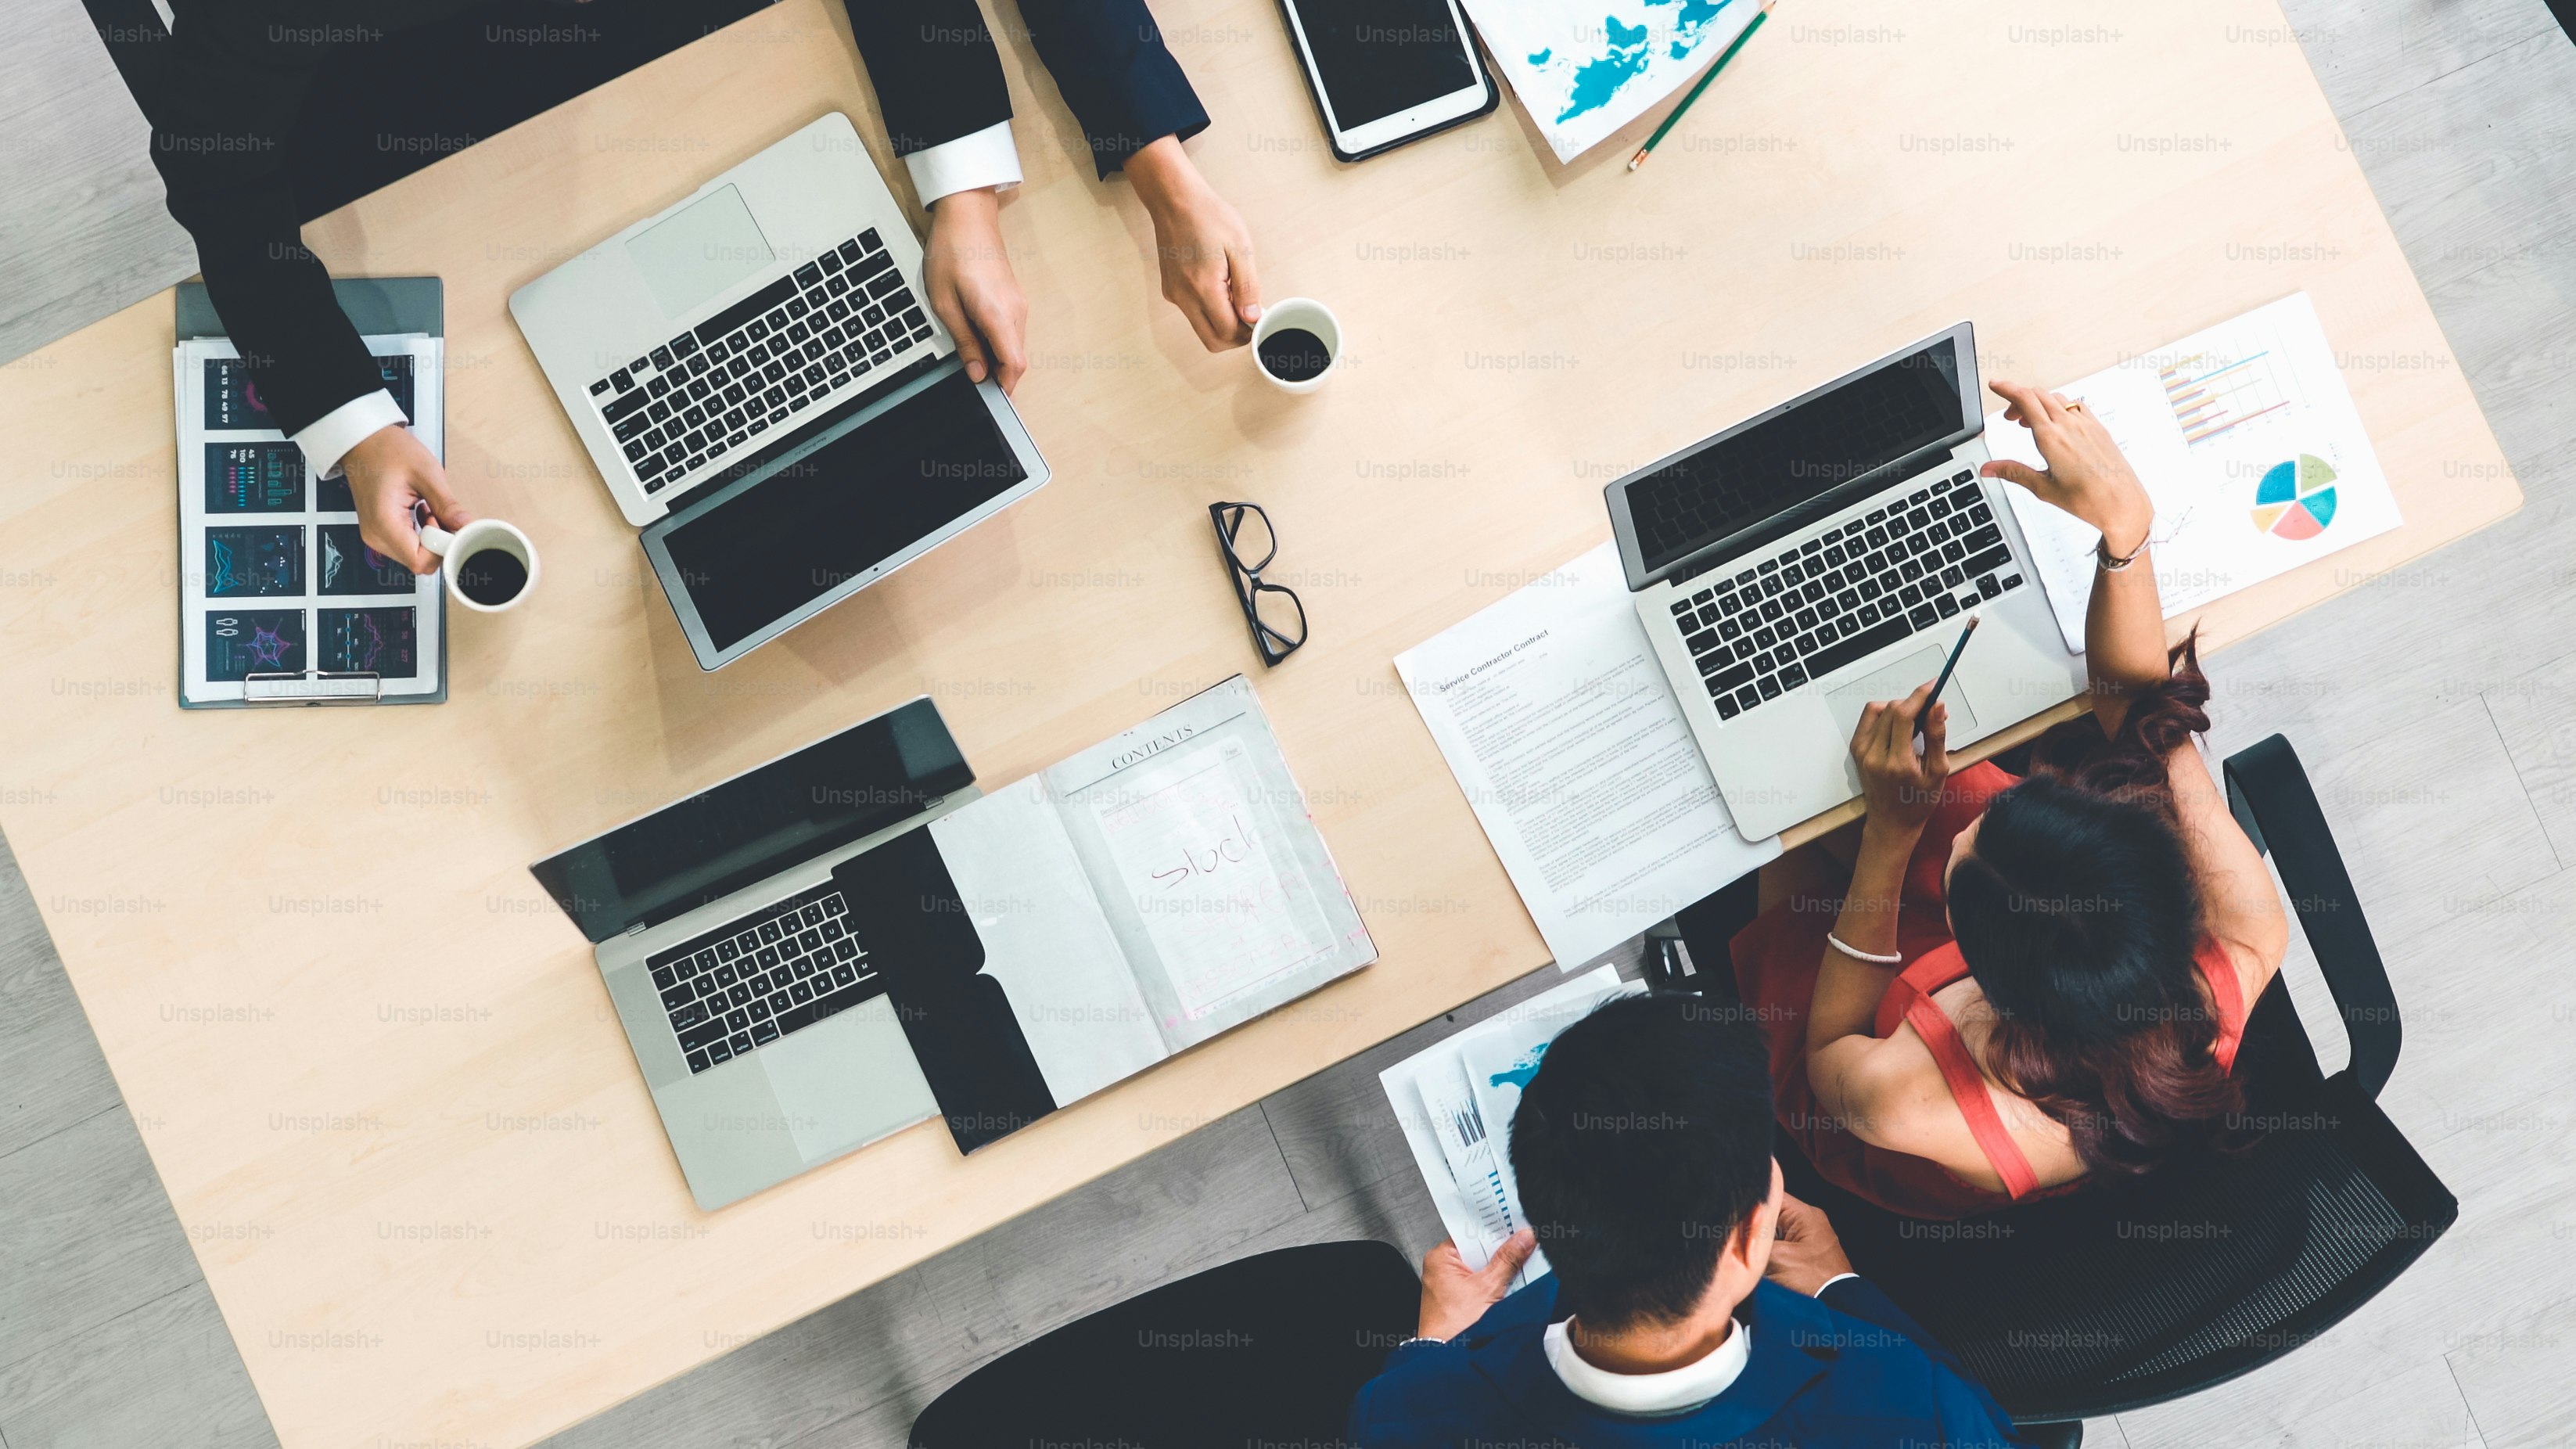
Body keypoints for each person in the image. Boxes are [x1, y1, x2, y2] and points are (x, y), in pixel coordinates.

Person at [146, 0, 1259, 575]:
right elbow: (215, 174)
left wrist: (963, 185)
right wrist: (353, 425)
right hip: (442, 142)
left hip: (725, 67)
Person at [1729, 379, 2292, 1219]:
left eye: (1965, 852)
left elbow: (1829, 1049)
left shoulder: (1903, 1099)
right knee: (1924, 779)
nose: (1977, 816)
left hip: (1859, 1055)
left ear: (1975, 977)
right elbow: (2143, 718)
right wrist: (2123, 533)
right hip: (2033, 960)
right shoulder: (2241, 939)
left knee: (1772, 797)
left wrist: (1889, 838)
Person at [1349, 992, 2032, 1447]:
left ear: (1544, 1219)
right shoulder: (1912, 1405)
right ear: (1746, 1242)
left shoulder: (1413, 1413)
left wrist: (1435, 1348)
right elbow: (1981, 1420)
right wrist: (1839, 1286)